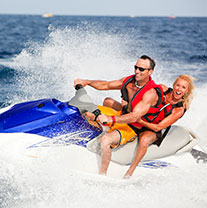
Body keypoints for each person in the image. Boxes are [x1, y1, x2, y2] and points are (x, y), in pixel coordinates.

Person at [74, 55, 166, 178]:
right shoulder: (129, 82)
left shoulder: (151, 93)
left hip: (133, 127)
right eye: (136, 67)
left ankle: (103, 174)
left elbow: (134, 117)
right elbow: (106, 85)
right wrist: (87, 82)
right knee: (86, 110)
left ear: (150, 72)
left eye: (141, 69)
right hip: (122, 115)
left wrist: (110, 119)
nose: (137, 71)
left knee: (105, 140)